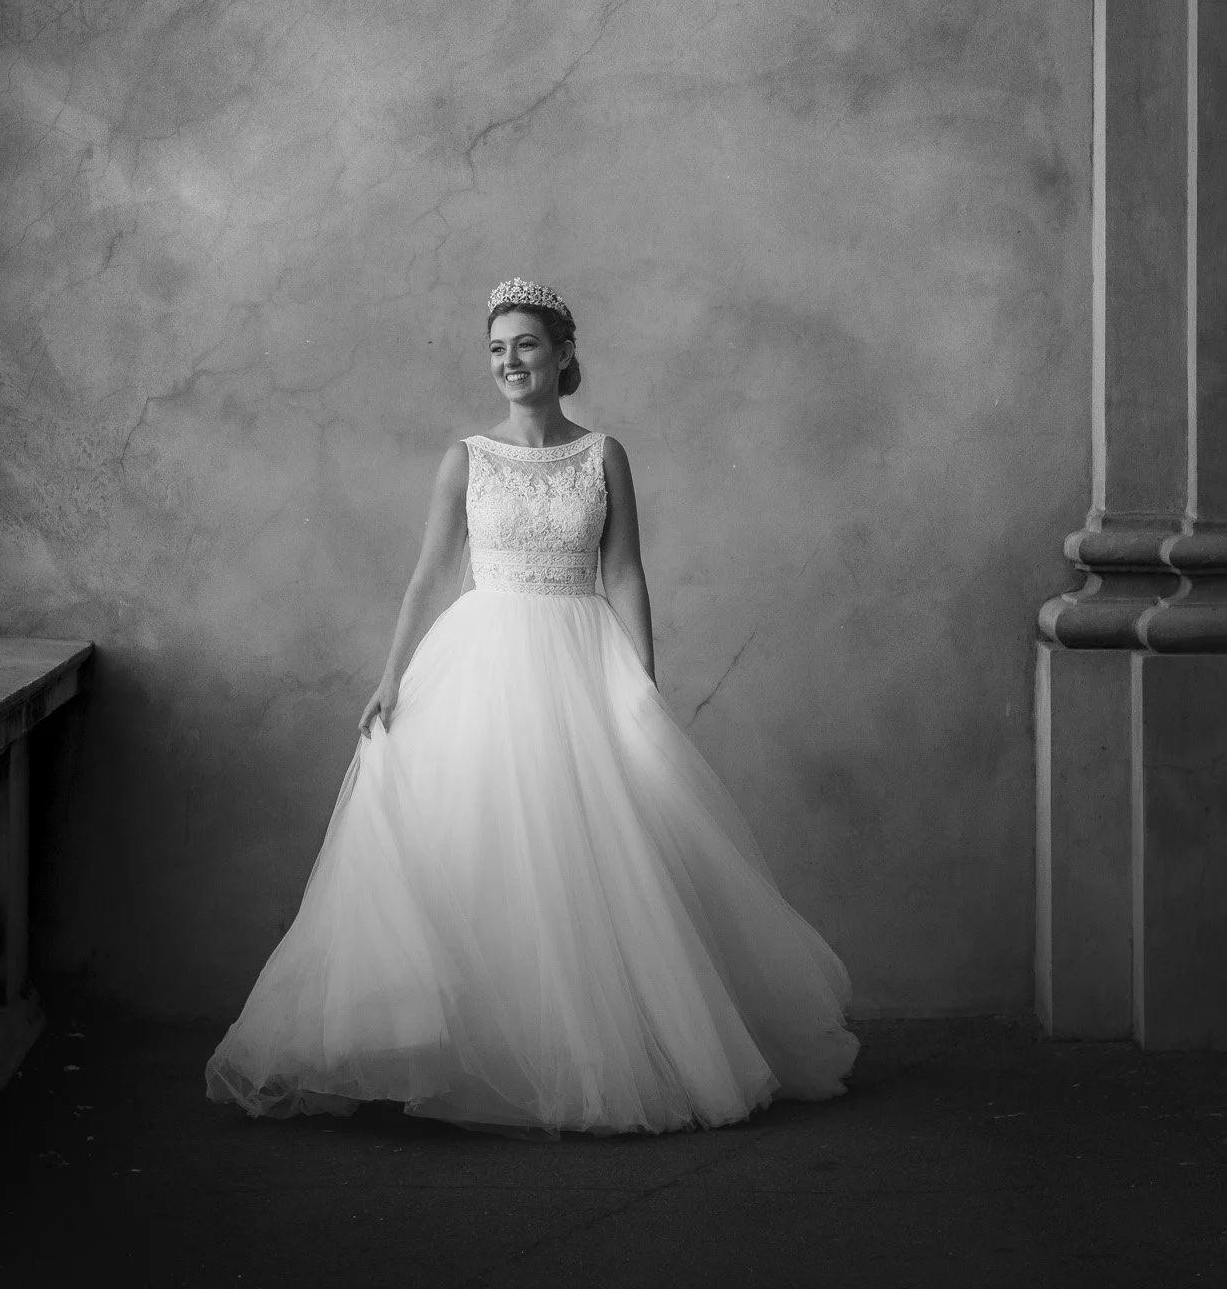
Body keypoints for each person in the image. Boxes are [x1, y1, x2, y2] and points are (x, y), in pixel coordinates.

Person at [205, 279, 858, 1134]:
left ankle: (588, 1056)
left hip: (580, 655)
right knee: (475, 842)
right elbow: (430, 573)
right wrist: (391, 675)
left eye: (524, 344)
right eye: (495, 348)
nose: (508, 362)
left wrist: (640, 680)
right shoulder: (466, 457)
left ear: (562, 354)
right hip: (481, 659)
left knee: (586, 850)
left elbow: (623, 572)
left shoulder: (603, 455)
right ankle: (462, 1051)